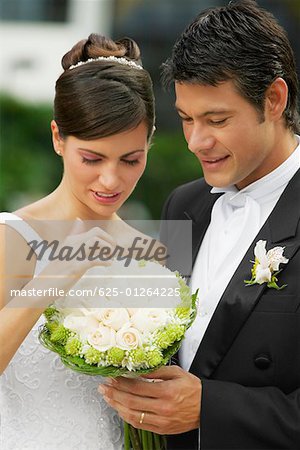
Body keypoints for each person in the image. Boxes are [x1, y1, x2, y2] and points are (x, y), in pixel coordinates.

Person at [98, 1, 300, 449]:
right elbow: (157, 334)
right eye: (187, 119)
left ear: (274, 99)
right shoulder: (182, 205)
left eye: (217, 120)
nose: (196, 141)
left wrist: (211, 409)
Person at [0, 33, 156, 449]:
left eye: (131, 160)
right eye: (92, 159)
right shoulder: (12, 237)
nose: (111, 180)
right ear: (58, 138)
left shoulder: (151, 254)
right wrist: (53, 278)